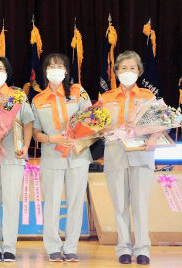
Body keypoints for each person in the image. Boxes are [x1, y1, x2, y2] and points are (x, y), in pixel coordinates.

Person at [31, 53, 91, 262]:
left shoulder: (77, 91)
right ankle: (53, 246)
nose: (55, 69)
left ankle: (71, 246)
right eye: (51, 66)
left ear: (66, 70)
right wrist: (51, 138)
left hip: (78, 155)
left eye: (60, 65)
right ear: (45, 70)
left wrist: (78, 136)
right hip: (52, 156)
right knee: (52, 203)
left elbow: (91, 119)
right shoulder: (38, 99)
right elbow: (35, 132)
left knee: (75, 202)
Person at [99, 50, 157, 265]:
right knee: (120, 205)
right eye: (123, 68)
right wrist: (111, 127)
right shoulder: (106, 98)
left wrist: (154, 138)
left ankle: (143, 249)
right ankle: (123, 247)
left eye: (132, 68)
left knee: (140, 204)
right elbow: (98, 126)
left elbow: (161, 123)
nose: (127, 72)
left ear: (139, 71)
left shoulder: (148, 97)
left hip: (142, 155)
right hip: (115, 156)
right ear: (116, 72)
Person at [0, 56, 34, 262]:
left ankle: (9, 246)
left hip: (12, 154)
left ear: (8, 72)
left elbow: (28, 122)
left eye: (1, 68)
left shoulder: (17, 96)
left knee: (11, 201)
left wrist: (26, 147)